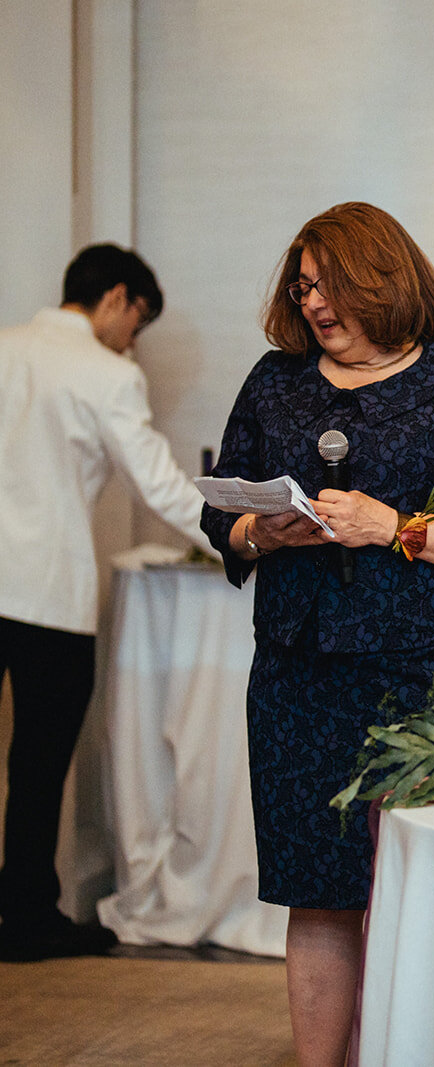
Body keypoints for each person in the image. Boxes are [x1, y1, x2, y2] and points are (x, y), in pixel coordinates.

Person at [200, 202, 434, 1066]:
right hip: (296, 672)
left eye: (331, 285)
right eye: (303, 286)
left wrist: (394, 526)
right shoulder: (274, 382)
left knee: (419, 886)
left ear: (381, 278)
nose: (313, 303)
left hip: (425, 676)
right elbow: (222, 514)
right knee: (316, 893)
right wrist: (257, 533)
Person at [0, 244, 209, 962]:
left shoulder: (4, 349)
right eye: (137, 322)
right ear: (118, 298)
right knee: (36, 764)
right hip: (44, 594)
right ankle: (26, 915)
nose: (132, 341)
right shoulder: (107, 374)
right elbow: (162, 487)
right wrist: (239, 536)